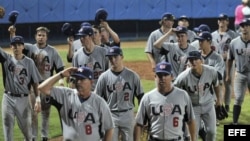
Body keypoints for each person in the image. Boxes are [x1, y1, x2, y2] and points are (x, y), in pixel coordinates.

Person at [38, 66, 114, 141]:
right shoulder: (65, 95)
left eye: (82, 79)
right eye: (77, 79)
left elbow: (109, 128)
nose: (78, 82)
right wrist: (61, 74)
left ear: (91, 82)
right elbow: (42, 88)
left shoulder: (99, 103)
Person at [134, 61, 196, 141]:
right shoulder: (148, 97)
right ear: (155, 77)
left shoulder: (182, 95)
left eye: (166, 75)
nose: (162, 78)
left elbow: (190, 120)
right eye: (159, 75)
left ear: (172, 77)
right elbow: (138, 124)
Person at [95, 46, 144, 141]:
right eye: (110, 58)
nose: (113, 60)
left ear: (122, 57)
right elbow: (96, 99)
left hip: (128, 114)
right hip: (110, 115)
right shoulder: (103, 77)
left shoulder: (133, 76)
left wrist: (141, 116)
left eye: (115, 57)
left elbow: (141, 97)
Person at [1, 36, 42, 141]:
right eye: (14, 45)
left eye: (19, 45)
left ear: (23, 46)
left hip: (23, 100)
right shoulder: (6, 58)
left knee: (27, 130)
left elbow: (35, 82)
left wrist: (37, 99)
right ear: (10, 46)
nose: (16, 47)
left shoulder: (29, 62)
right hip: (8, 98)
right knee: (7, 125)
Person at [174, 50, 221, 141]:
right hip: (192, 107)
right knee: (193, 135)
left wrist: (219, 99)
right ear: (188, 62)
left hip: (208, 105)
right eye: (191, 60)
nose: (193, 62)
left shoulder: (211, 71)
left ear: (201, 60)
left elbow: (216, 85)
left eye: (196, 59)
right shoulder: (183, 77)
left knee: (212, 132)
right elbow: (174, 90)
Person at [32, 27, 65, 141]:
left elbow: (60, 68)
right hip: (32, 86)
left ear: (47, 37)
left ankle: (44, 137)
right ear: (35, 36)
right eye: (39, 35)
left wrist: (61, 82)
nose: (41, 37)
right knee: (33, 114)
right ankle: (32, 137)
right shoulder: (30, 49)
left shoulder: (52, 51)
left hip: (46, 86)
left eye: (43, 35)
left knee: (45, 113)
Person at [211, 13, 238, 112]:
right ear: (218, 22)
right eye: (220, 20)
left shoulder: (233, 34)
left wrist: (228, 55)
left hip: (228, 62)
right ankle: (218, 105)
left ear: (227, 21)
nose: (221, 21)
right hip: (216, 63)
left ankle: (226, 105)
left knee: (228, 84)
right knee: (216, 84)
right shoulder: (212, 35)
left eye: (224, 20)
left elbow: (236, 48)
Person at [226, 18, 250, 125]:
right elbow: (229, 59)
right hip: (239, 73)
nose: (244, 28)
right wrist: (228, 74)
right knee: (238, 98)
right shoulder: (234, 42)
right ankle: (235, 123)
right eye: (242, 26)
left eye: (246, 25)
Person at [72, 25, 109, 90]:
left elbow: (109, 74)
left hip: (101, 93)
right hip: (84, 93)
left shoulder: (104, 52)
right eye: (80, 37)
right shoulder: (76, 55)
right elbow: (74, 77)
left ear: (91, 36)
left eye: (83, 36)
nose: (81, 39)